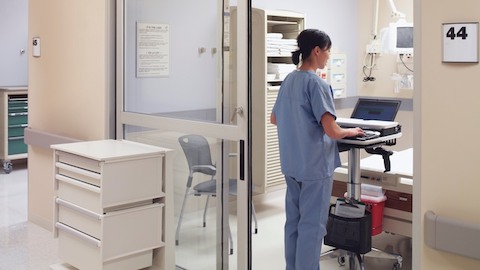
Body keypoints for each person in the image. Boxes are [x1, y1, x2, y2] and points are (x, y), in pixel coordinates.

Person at [270, 29, 364, 270]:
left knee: (294, 223)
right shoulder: (316, 84)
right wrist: (350, 132)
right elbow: (332, 131)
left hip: (292, 164)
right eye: (328, 50)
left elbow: (275, 119)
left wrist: (299, 126)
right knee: (312, 227)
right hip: (314, 167)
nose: (329, 56)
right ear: (317, 50)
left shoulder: (289, 80)